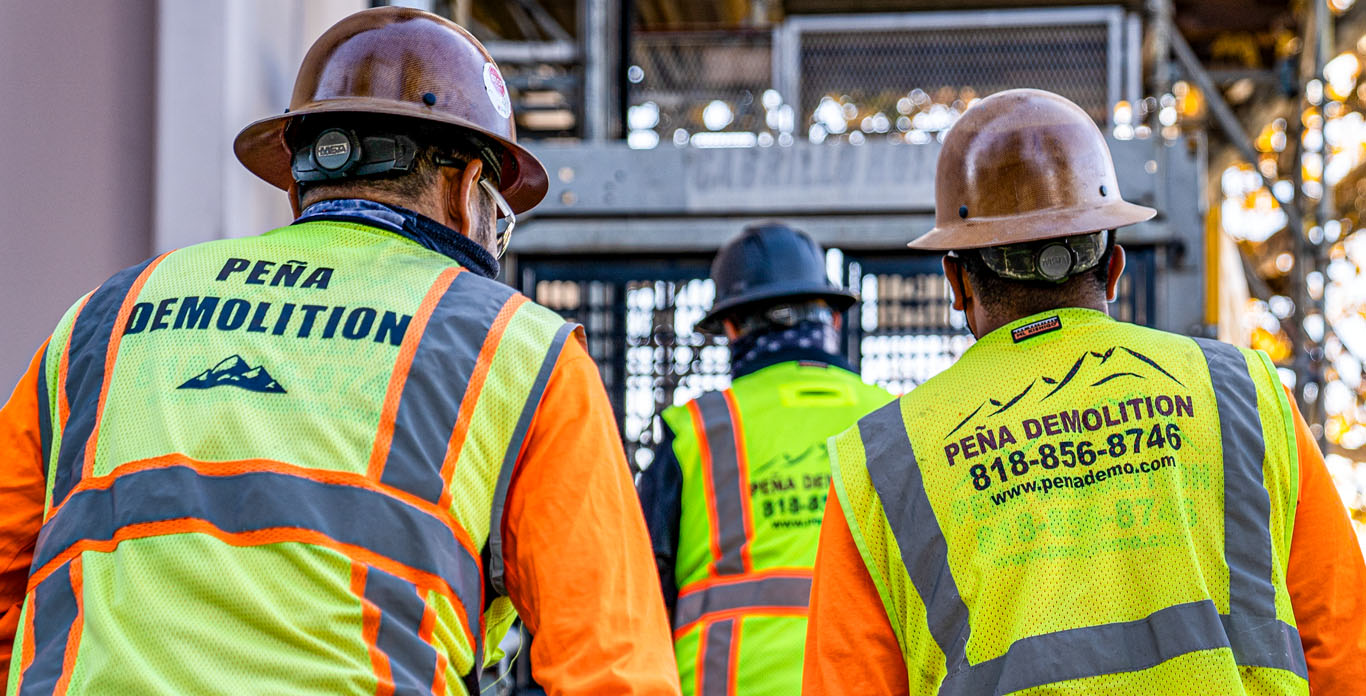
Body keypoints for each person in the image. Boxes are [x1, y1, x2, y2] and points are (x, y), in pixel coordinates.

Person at [0, 8, 679, 695]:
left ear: (298, 180)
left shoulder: (105, 318)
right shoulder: (517, 351)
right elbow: (612, 668)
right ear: (466, 187)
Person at [803, 89, 1366, 694]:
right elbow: (1344, 647)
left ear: (957, 282)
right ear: (1115, 267)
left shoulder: (884, 463)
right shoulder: (1244, 398)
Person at [637, 222, 893, 696]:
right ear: (833, 319)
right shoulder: (893, 420)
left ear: (731, 328)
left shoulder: (696, 431)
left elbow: (635, 593)